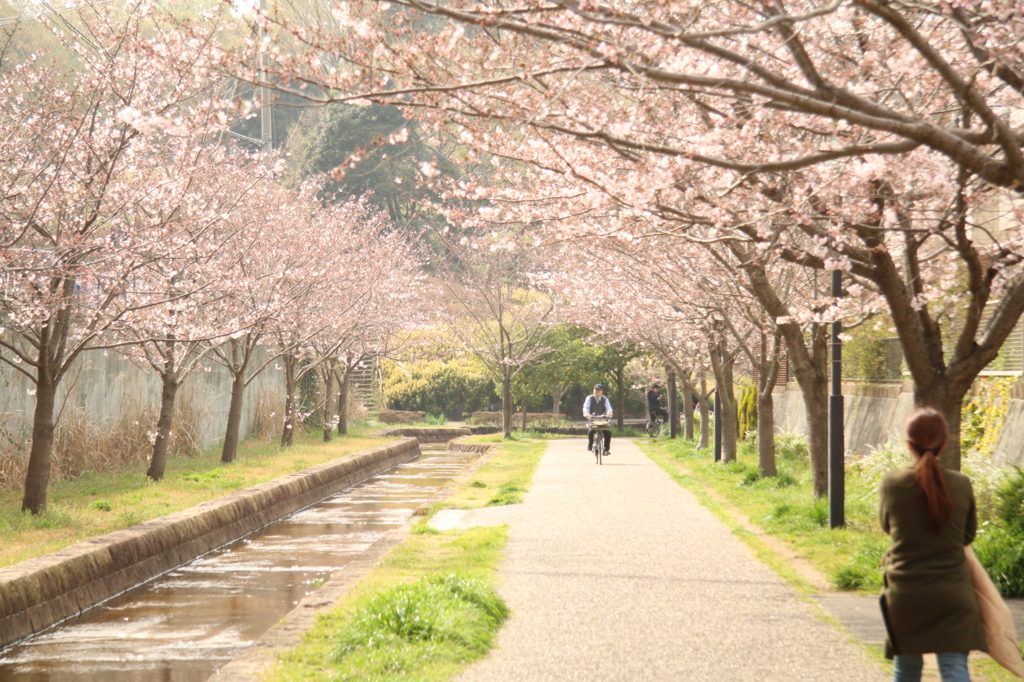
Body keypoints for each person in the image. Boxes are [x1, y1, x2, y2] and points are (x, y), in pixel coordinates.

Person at [879, 406, 985, 682]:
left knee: (907, 671)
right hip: (953, 596)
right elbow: (967, 536)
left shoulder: (893, 483)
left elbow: (887, 526)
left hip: (906, 594)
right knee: (954, 670)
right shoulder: (961, 484)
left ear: (908, 443)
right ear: (945, 442)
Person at [583, 384, 613, 456]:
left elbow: (609, 408)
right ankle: (590, 444)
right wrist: (586, 413)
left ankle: (606, 449)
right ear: (593, 390)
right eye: (596, 389)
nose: (597, 391)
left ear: (602, 391)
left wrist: (609, 413)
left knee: (607, 432)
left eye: (599, 390)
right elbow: (586, 407)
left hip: (602, 418)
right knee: (591, 431)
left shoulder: (605, 399)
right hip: (592, 418)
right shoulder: (589, 398)